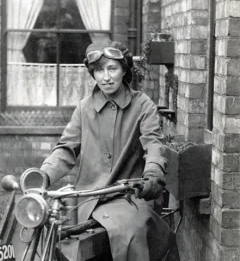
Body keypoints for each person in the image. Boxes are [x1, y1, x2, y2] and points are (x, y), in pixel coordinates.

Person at [40, 40, 175, 261]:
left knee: (131, 236)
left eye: (112, 68)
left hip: (130, 197)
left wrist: (152, 176)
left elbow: (153, 145)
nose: (106, 77)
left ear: (124, 70)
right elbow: (65, 150)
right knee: (55, 238)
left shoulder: (143, 106)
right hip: (88, 198)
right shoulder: (84, 108)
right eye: (99, 70)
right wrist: (43, 175)